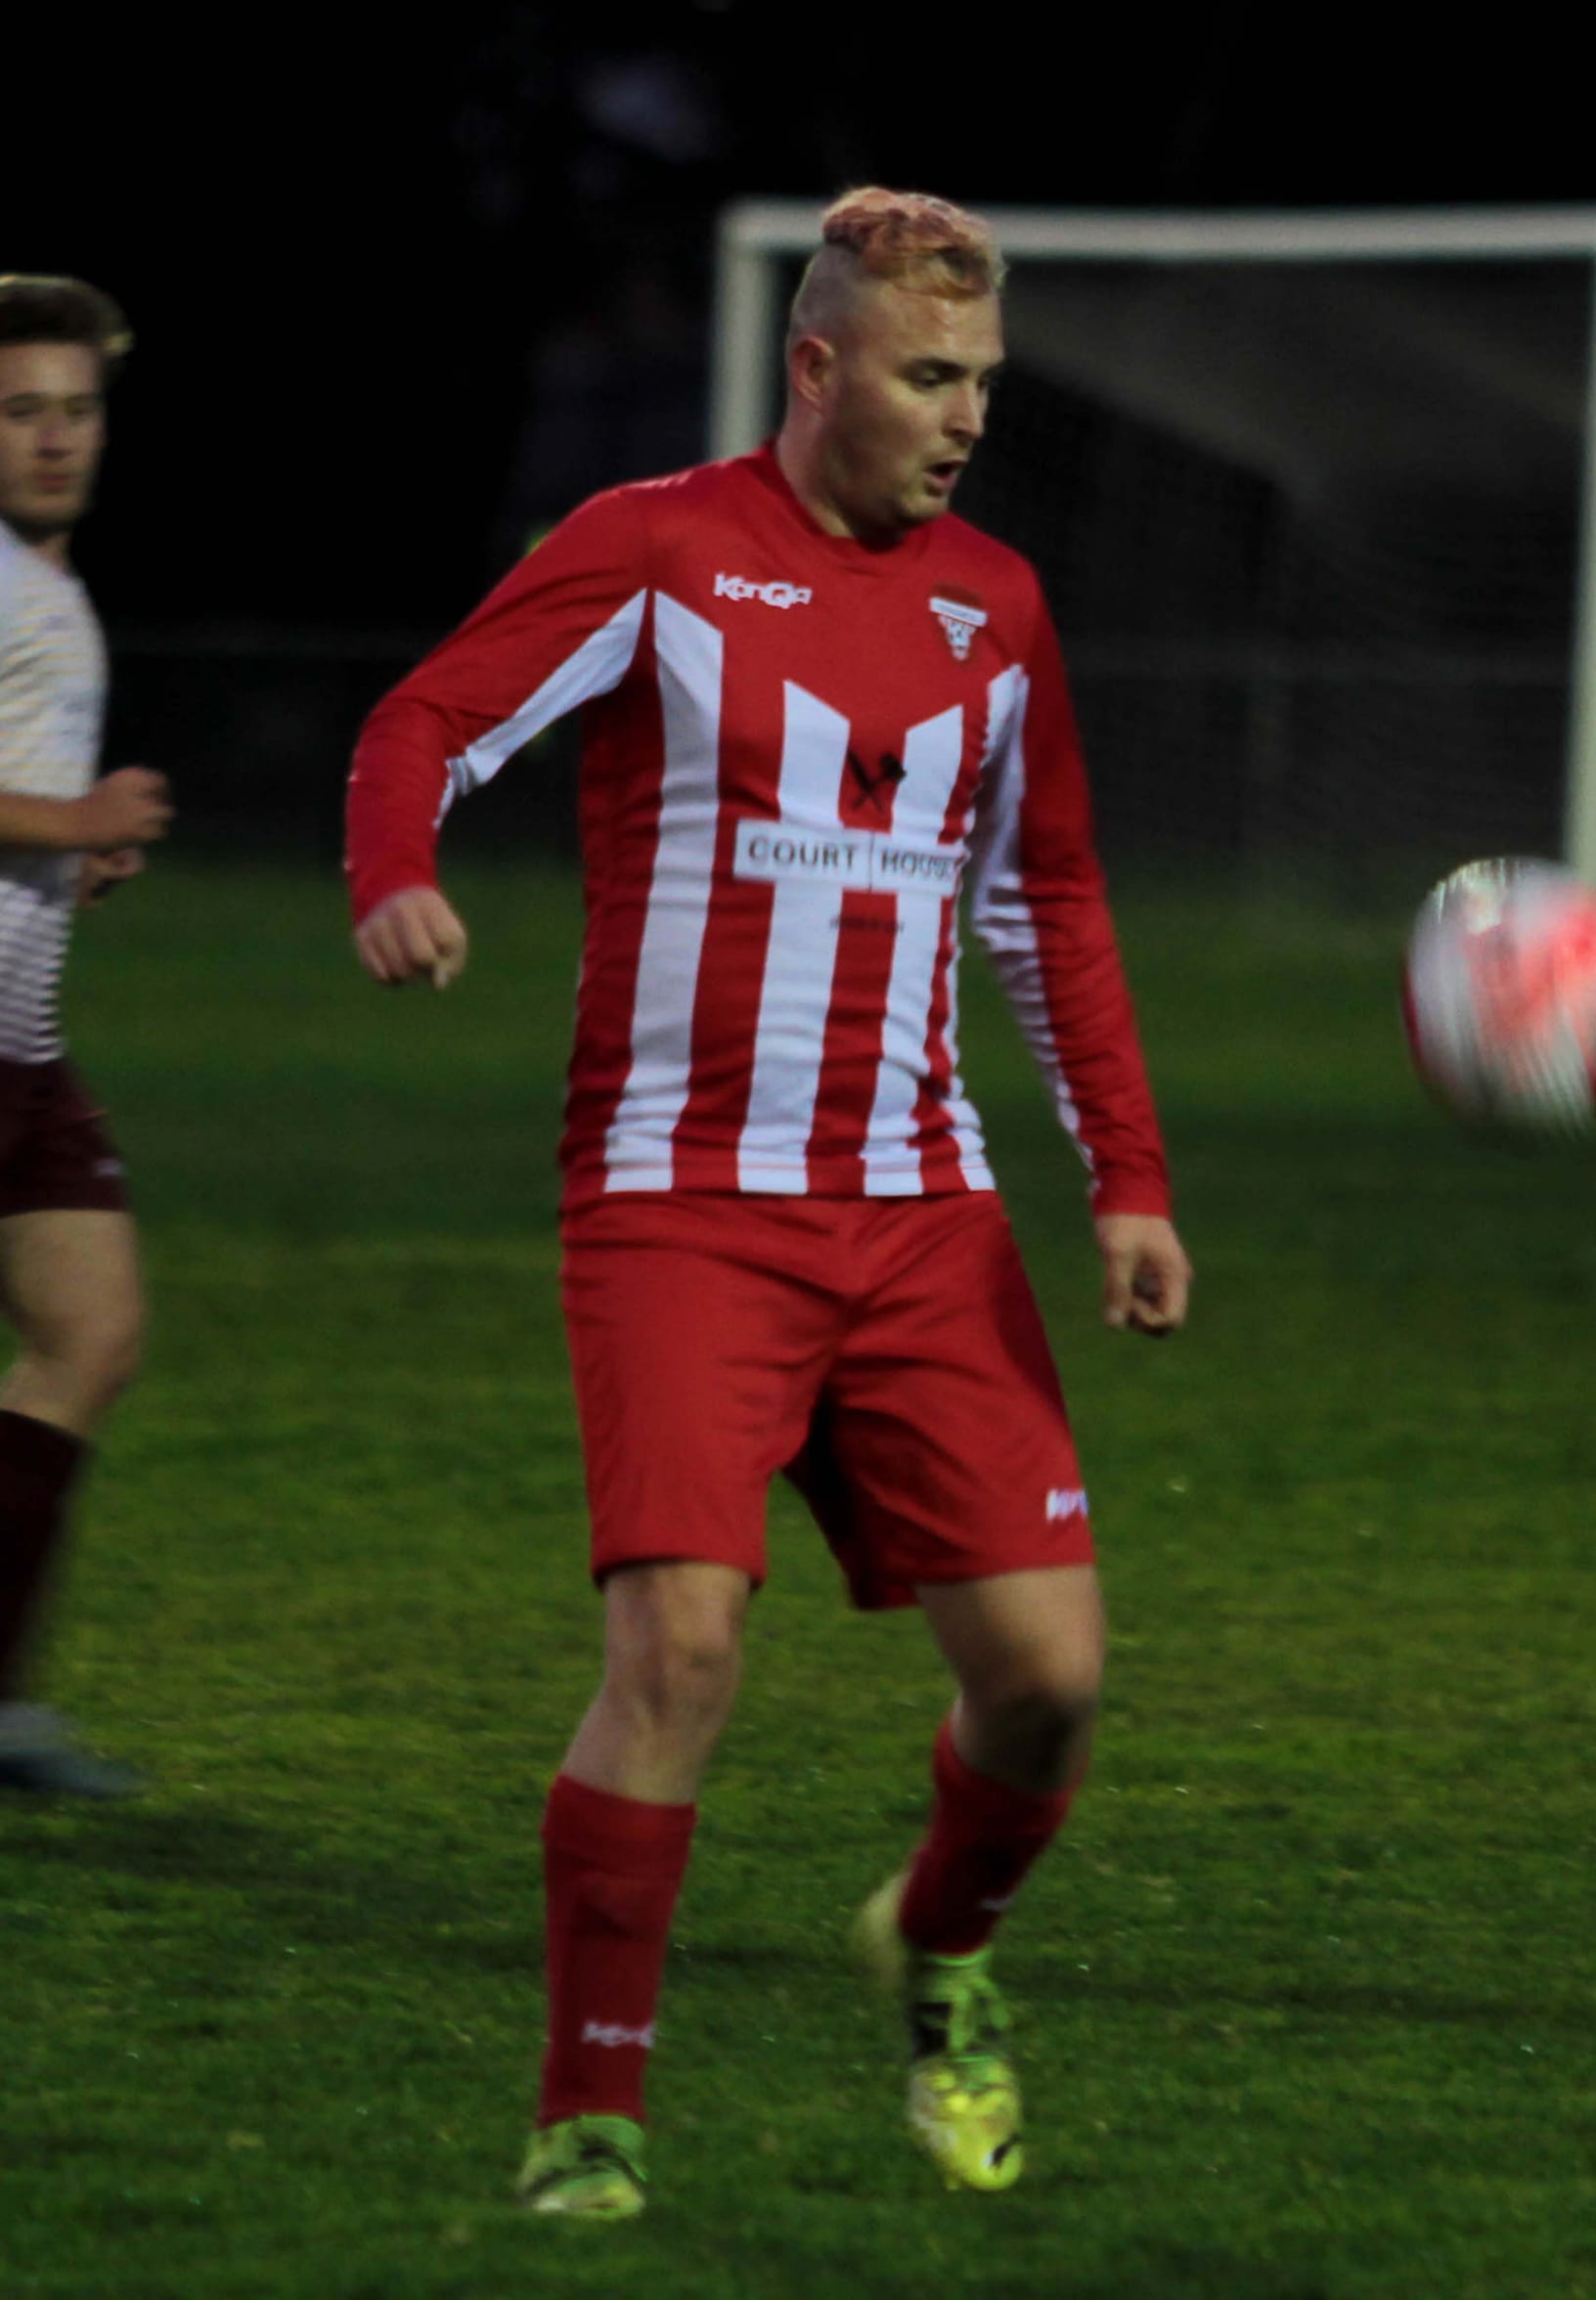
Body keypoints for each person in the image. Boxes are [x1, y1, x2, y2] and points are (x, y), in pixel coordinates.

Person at [345, 188, 1192, 2214]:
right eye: (927, 375)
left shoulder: (999, 600)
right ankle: (588, 2117)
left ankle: (939, 1947)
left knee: (1051, 1682)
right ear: (814, 368)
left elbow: (1047, 893)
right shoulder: (656, 546)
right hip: (680, 1206)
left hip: (921, 1213)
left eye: (981, 382)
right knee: (681, 1658)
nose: (964, 417)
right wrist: (396, 864)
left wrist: (1129, 1183)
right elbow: (425, 718)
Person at [0, 275, 173, 1797]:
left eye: (78, 409)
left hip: (21, 1048)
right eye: (21, 411)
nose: (58, 438)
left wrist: (70, 857)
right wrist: (72, 813)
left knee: (90, 1330)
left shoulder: (48, 584)